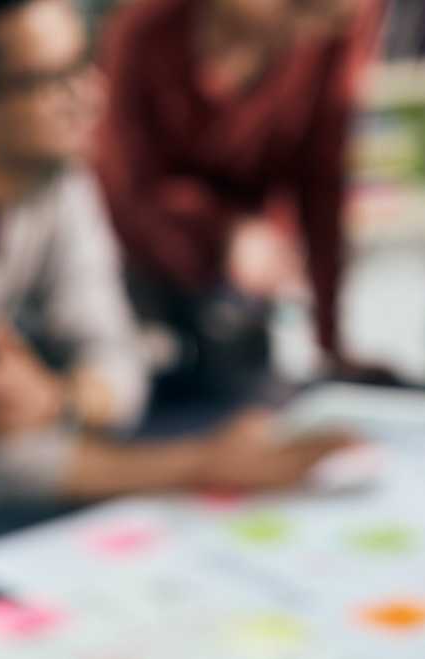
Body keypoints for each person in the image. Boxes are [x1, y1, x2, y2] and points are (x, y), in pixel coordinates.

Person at [0, 0, 352, 503]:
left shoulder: (57, 181)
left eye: (85, 62)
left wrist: (56, 399)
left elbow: (119, 366)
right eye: (52, 81)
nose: (92, 93)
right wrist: (204, 464)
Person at [94, 0, 381, 396]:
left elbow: (323, 184)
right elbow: (125, 189)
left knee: (247, 399)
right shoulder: (146, 29)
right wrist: (223, 234)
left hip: (237, 294)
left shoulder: (326, 42)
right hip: (130, 269)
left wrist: (330, 342)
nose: (303, 33)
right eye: (298, 10)